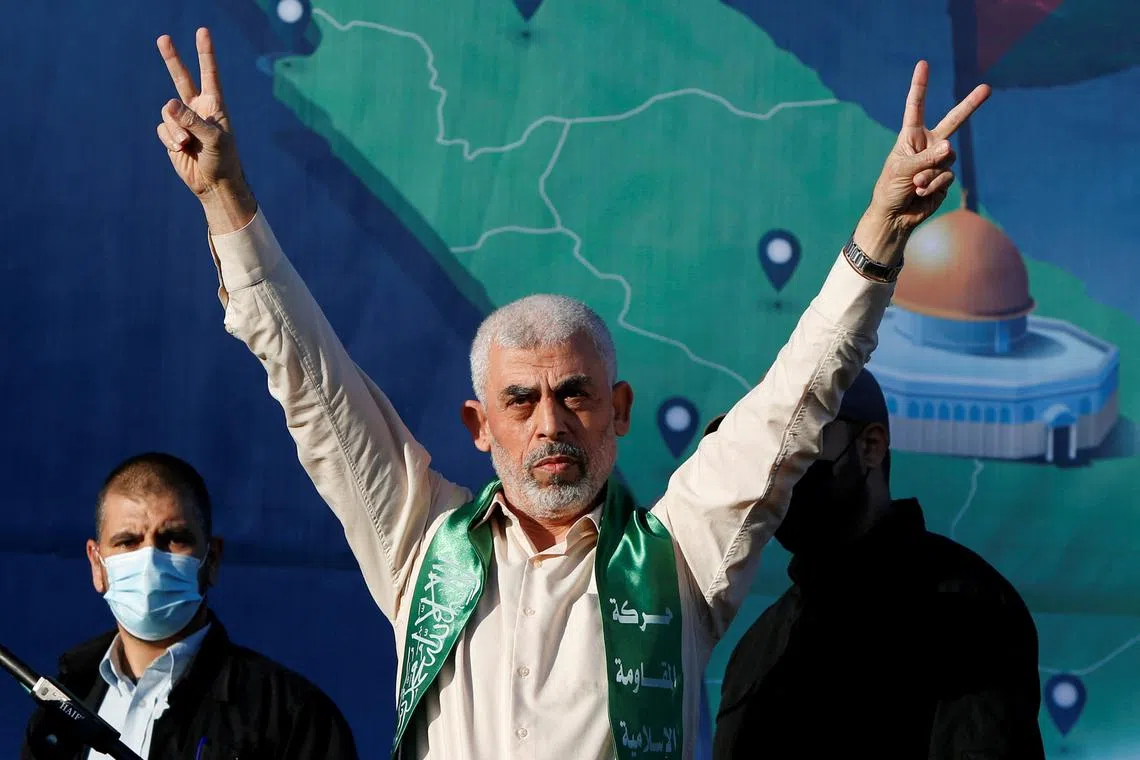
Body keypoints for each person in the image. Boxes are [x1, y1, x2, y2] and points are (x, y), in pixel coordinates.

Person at [151, 26, 988, 759]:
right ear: (479, 425)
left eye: (576, 395)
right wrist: (227, 199)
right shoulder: (419, 545)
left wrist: (882, 229)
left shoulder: (682, 556)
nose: (550, 422)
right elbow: (312, 383)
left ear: (618, 413)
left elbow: (795, 401)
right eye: (521, 401)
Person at [709, 370, 1045, 758]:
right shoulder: (758, 646)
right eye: (757, 455)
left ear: (870, 446)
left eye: (790, 446)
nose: (770, 475)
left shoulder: (966, 610)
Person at [21, 453, 358, 760]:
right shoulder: (61, 713)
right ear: (97, 565)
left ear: (211, 559)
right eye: (128, 542)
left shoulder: (289, 716)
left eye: (174, 539)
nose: (150, 559)